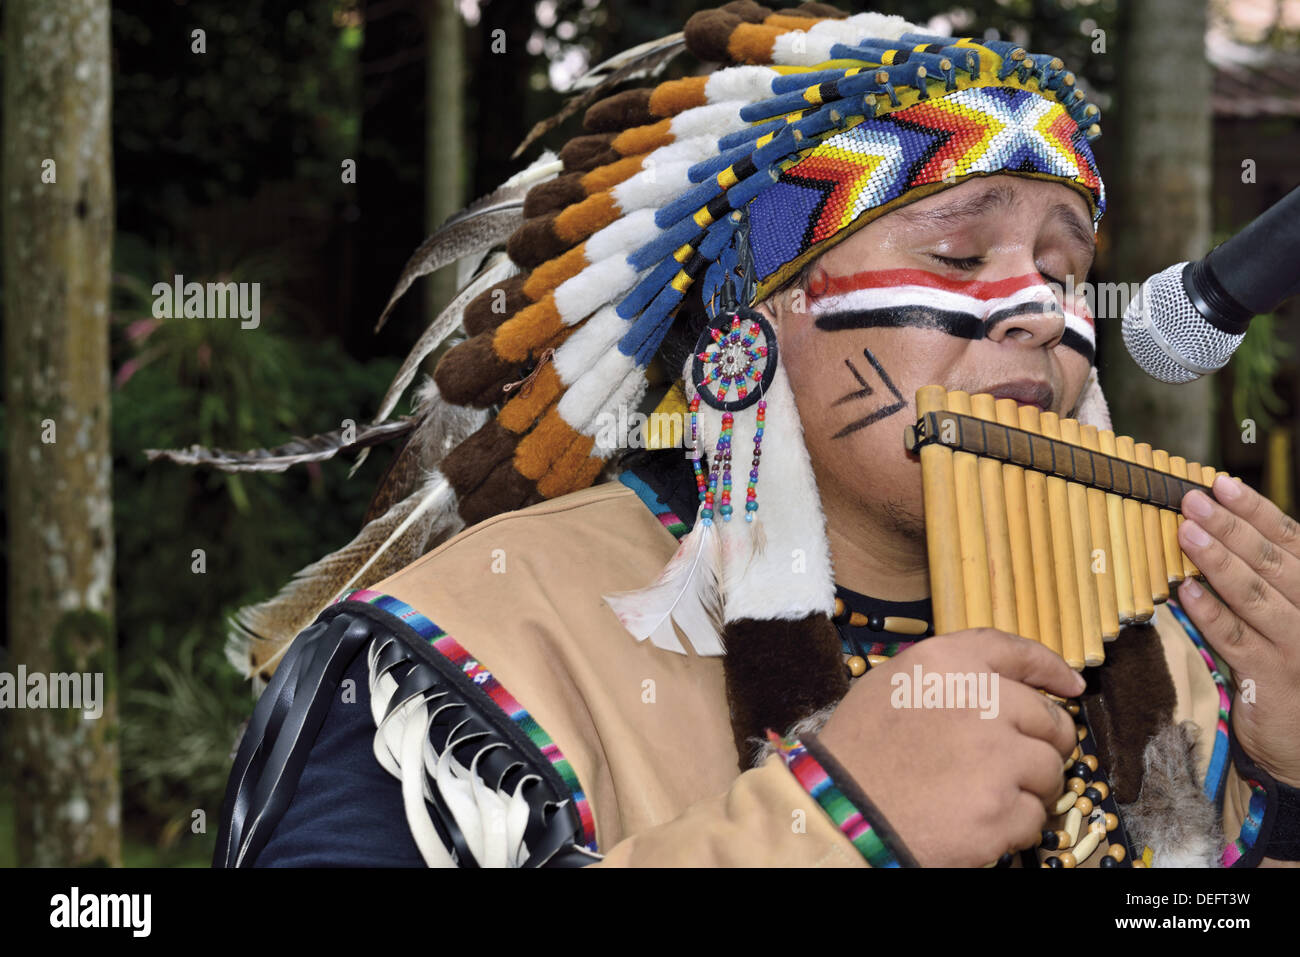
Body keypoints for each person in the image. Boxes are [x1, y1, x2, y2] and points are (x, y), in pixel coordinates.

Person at [214, 2, 1300, 869]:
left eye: (1063, 273)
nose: (1035, 310)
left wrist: (1286, 782)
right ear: (756, 318)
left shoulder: (1171, 663)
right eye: (961, 258)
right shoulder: (466, 651)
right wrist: (826, 828)